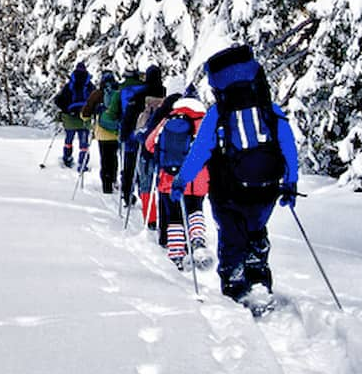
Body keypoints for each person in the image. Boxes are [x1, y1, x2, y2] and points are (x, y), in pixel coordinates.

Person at [175, 45, 298, 308]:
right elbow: (287, 145)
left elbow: (199, 152)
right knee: (256, 231)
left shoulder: (218, 114)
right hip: (266, 189)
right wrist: (291, 181)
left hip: (227, 191)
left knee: (231, 239)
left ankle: (235, 289)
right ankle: (259, 280)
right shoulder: (269, 110)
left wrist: (181, 181)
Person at [145, 91, 210, 268]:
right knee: (195, 209)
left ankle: (176, 254)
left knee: (174, 216)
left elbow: (149, 144)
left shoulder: (168, 120)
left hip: (169, 178)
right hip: (197, 178)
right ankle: (197, 238)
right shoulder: (203, 121)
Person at [118, 65, 165, 209]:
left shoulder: (140, 94)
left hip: (137, 136)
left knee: (130, 167)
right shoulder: (165, 94)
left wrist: (124, 134)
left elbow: (130, 115)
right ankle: (152, 201)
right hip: (157, 138)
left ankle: (128, 194)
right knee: (151, 171)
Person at [53, 61, 92, 169]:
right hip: (84, 119)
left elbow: (58, 100)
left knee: (69, 140)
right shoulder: (89, 85)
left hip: (70, 118)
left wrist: (66, 109)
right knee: (84, 144)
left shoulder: (69, 85)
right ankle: (82, 163)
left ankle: (67, 158)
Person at [91, 68, 123, 195]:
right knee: (113, 156)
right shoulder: (119, 92)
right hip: (115, 131)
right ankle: (113, 178)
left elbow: (87, 110)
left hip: (102, 131)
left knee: (104, 157)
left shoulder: (97, 94)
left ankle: (106, 184)